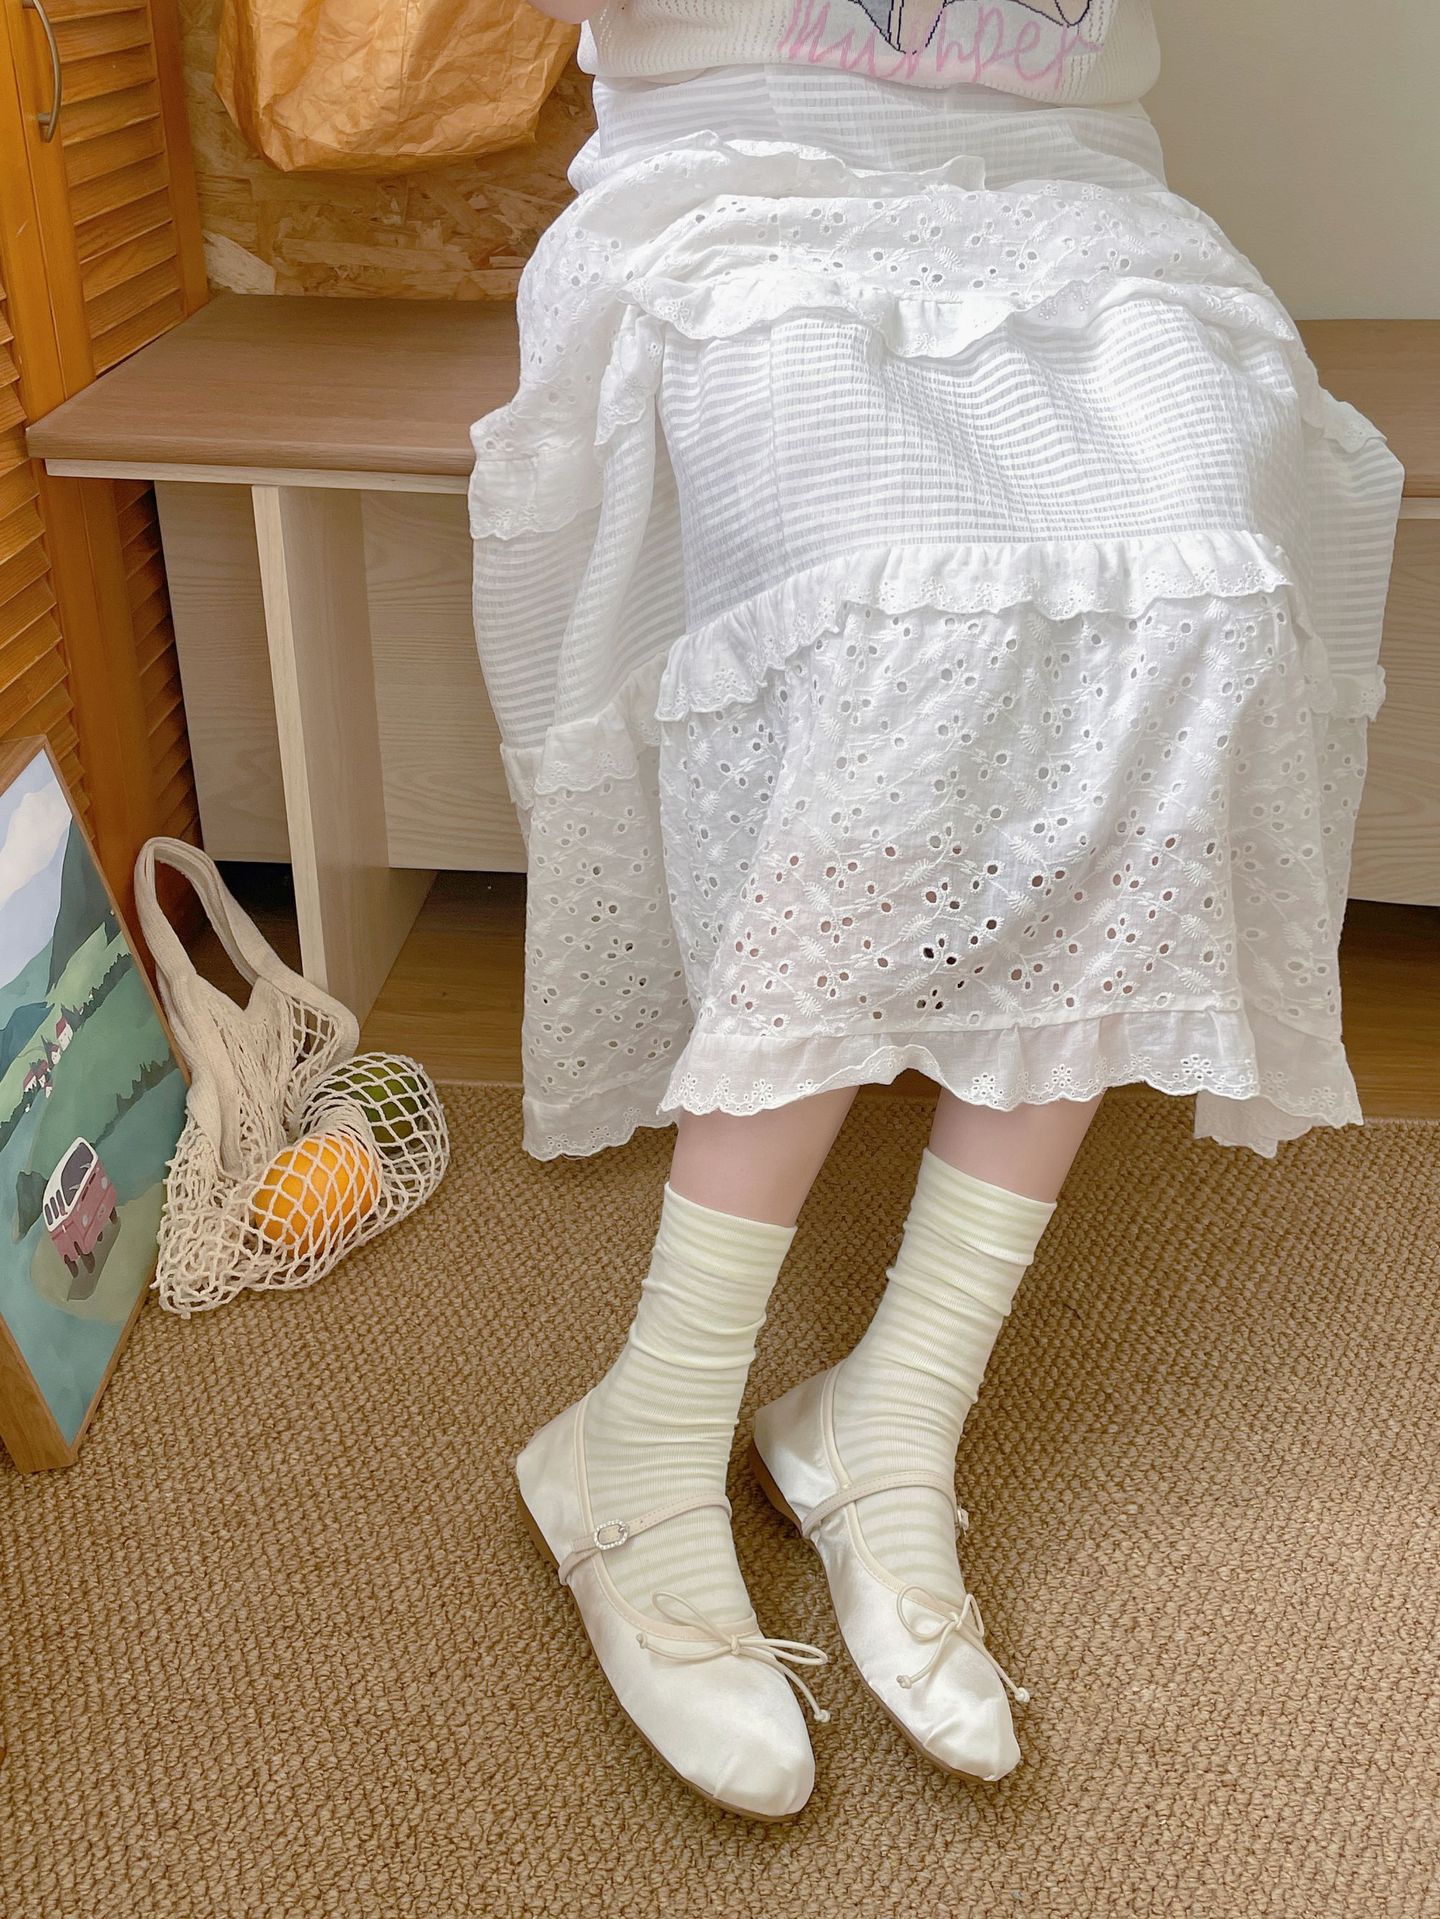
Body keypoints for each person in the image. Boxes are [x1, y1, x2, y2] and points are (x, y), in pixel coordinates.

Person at [471, 0, 1405, 1821]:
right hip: (741, 175)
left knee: (1191, 601)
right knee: (903, 608)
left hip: (1079, 199)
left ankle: (893, 1405)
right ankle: (648, 1428)